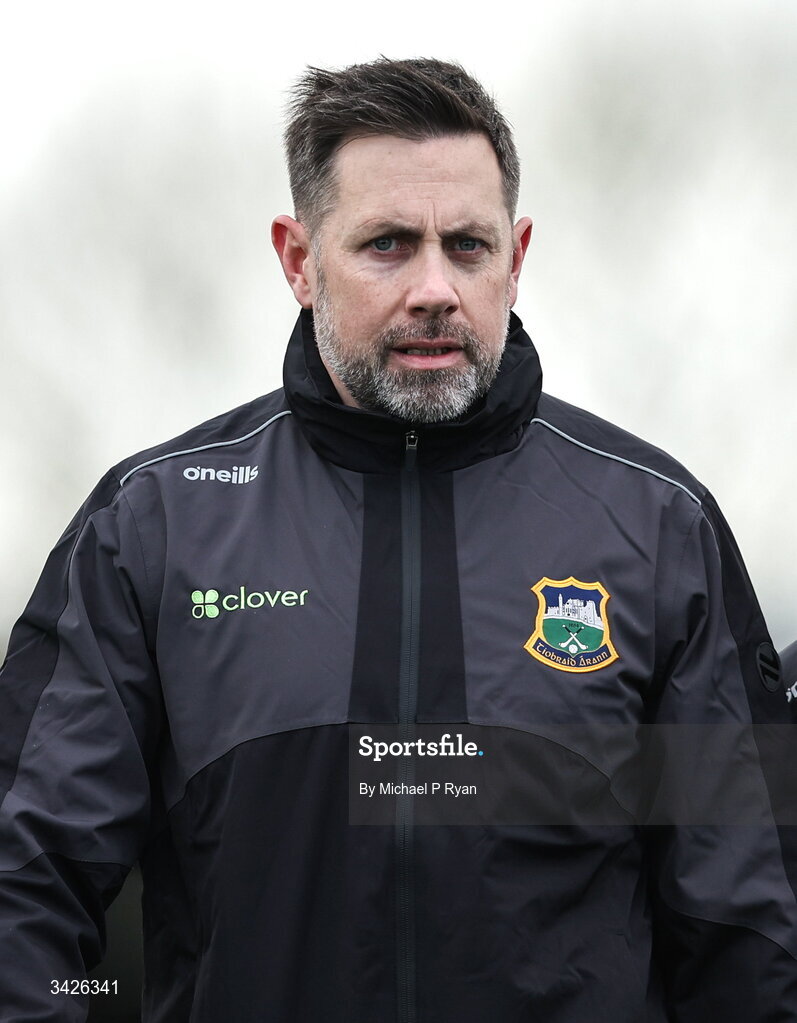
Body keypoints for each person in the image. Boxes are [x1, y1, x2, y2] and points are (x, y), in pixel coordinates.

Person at [1, 56, 795, 1022]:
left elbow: (744, 930)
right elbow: (29, 886)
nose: (434, 287)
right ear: (298, 260)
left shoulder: (657, 527)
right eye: (385, 245)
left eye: (467, 246)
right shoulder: (155, 526)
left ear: (518, 255)